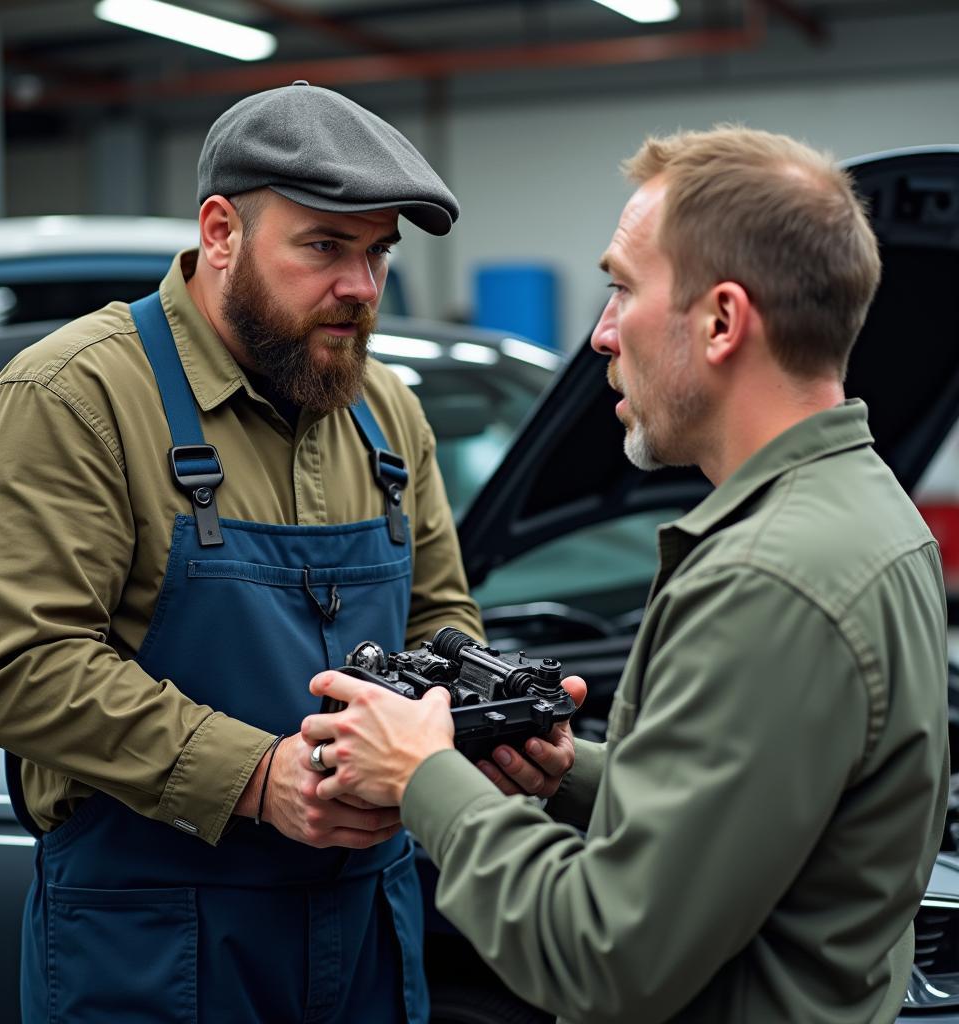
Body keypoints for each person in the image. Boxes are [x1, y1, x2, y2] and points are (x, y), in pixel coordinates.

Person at [302, 126, 950, 1023]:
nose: (602, 333)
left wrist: (423, 777)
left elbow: (605, 952)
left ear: (722, 320)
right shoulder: (867, 514)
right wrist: (570, 775)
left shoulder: (768, 580)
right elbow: (761, 830)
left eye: (621, 288)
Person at [0, 82, 486, 1023]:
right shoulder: (74, 397)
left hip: (368, 922)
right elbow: (20, 667)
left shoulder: (386, 413)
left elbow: (440, 619)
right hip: (151, 940)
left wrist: (472, 721)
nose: (360, 287)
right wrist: (255, 778)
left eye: (377, 253)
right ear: (221, 232)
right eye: (325, 246)